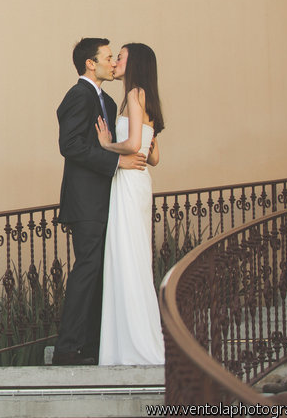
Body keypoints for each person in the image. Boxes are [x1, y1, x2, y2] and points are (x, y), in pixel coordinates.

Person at [52, 38, 148, 366]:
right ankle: (67, 349)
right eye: (108, 57)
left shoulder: (107, 100)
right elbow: (71, 145)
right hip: (86, 203)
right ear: (90, 64)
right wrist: (117, 163)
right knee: (87, 269)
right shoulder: (78, 95)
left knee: (101, 272)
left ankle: (93, 346)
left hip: (110, 202)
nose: (112, 63)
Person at [95, 42, 166, 365]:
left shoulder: (135, 94)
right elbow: (154, 155)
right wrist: (135, 147)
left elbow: (136, 144)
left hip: (127, 183)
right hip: (137, 183)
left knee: (128, 256)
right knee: (133, 257)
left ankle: (134, 345)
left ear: (134, 62)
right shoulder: (143, 97)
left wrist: (107, 145)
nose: (116, 61)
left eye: (120, 56)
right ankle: (132, 341)